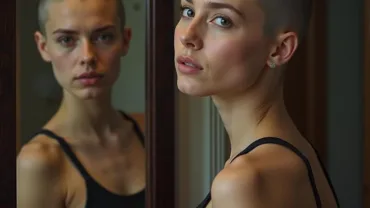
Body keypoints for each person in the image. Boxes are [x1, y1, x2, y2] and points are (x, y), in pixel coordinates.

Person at [174, 0, 340, 207]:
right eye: (188, 11)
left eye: (222, 20)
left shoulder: (244, 182)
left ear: (279, 49)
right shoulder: (292, 154)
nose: (187, 36)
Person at [16, 0, 146, 207]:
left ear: (125, 40)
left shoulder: (149, 131)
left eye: (104, 37)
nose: (87, 56)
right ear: (43, 47)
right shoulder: (40, 161)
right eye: (67, 39)